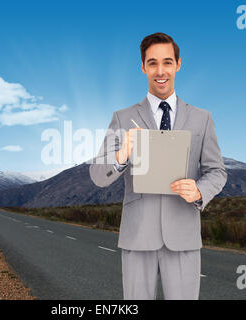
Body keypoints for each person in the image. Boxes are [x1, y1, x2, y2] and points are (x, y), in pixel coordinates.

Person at [89, 32, 227, 300]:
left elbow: (217, 171)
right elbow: (97, 175)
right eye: (152, 63)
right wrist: (121, 155)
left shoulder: (202, 118)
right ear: (143, 68)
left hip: (184, 236)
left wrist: (199, 190)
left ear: (178, 64)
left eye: (167, 62)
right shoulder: (123, 117)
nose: (160, 71)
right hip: (137, 237)